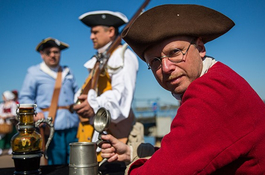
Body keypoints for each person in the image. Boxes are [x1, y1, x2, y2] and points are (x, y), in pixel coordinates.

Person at [100, 4, 265, 174]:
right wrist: (133, 154)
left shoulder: (212, 91)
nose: (165, 67)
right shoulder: (217, 78)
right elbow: (187, 157)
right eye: (155, 61)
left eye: (175, 52)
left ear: (200, 48)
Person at [73, 10, 144, 161]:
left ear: (111, 31)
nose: (91, 36)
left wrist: (93, 105)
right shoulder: (99, 60)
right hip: (93, 140)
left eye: (95, 32)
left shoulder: (123, 56)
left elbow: (121, 99)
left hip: (114, 144)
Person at [19, 37, 79, 165]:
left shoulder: (68, 71)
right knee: (56, 165)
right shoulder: (34, 72)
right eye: (48, 52)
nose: (52, 55)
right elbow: (25, 97)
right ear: (42, 55)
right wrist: (36, 113)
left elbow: (77, 94)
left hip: (73, 125)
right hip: (51, 127)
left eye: (56, 52)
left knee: (76, 163)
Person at [0, 91, 17, 155]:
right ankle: (1, 148)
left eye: (4, 96)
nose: (3, 98)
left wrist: (7, 115)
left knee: (11, 136)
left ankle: (11, 148)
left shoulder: (13, 104)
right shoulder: (2, 105)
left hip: (11, 123)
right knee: (2, 136)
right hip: (3, 123)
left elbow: (14, 113)